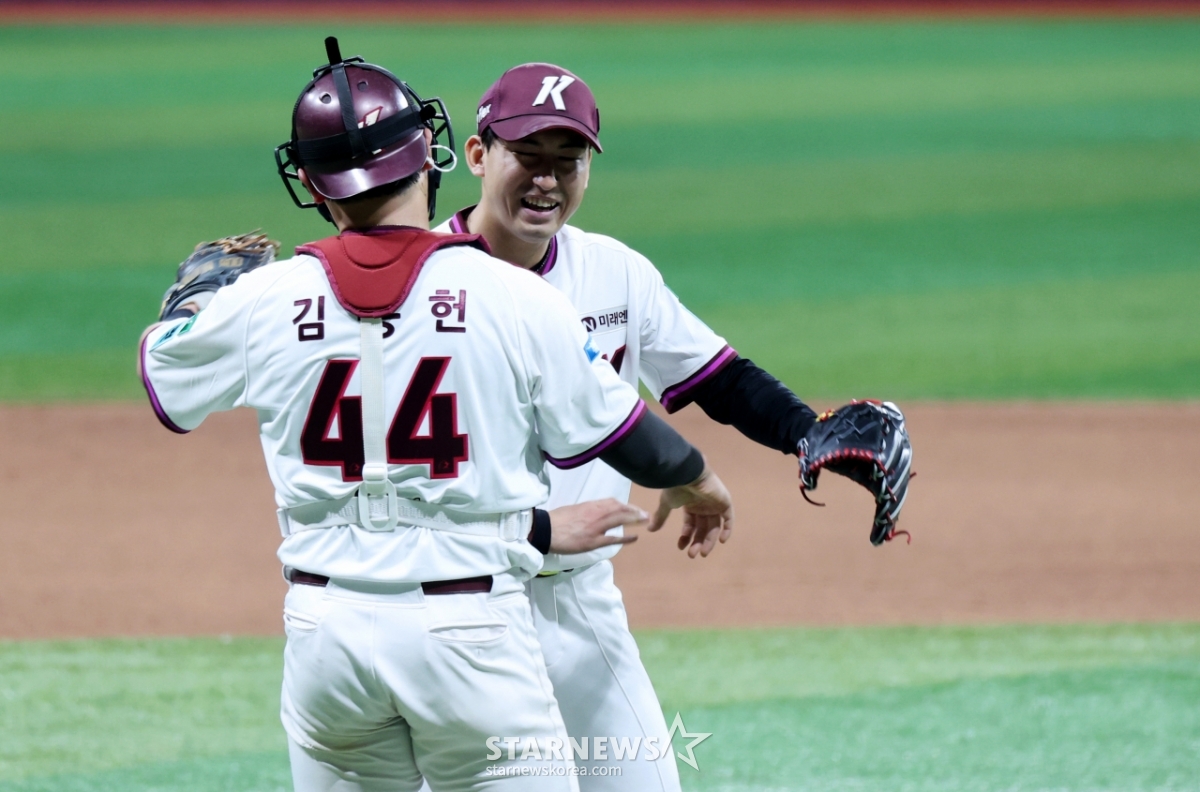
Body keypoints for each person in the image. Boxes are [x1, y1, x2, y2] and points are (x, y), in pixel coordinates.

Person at [139, 41, 733, 792]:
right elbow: (628, 436)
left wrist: (195, 304)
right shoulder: (513, 296)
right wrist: (698, 479)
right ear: (431, 156)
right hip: (471, 634)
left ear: (314, 186)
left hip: (325, 638)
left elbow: (165, 376)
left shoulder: (264, 299)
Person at [435, 63, 829, 791]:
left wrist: (811, 434)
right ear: (479, 154)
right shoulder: (424, 281)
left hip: (581, 603)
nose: (547, 180)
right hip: (460, 607)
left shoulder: (613, 272)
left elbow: (719, 378)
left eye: (568, 161)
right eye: (528, 156)